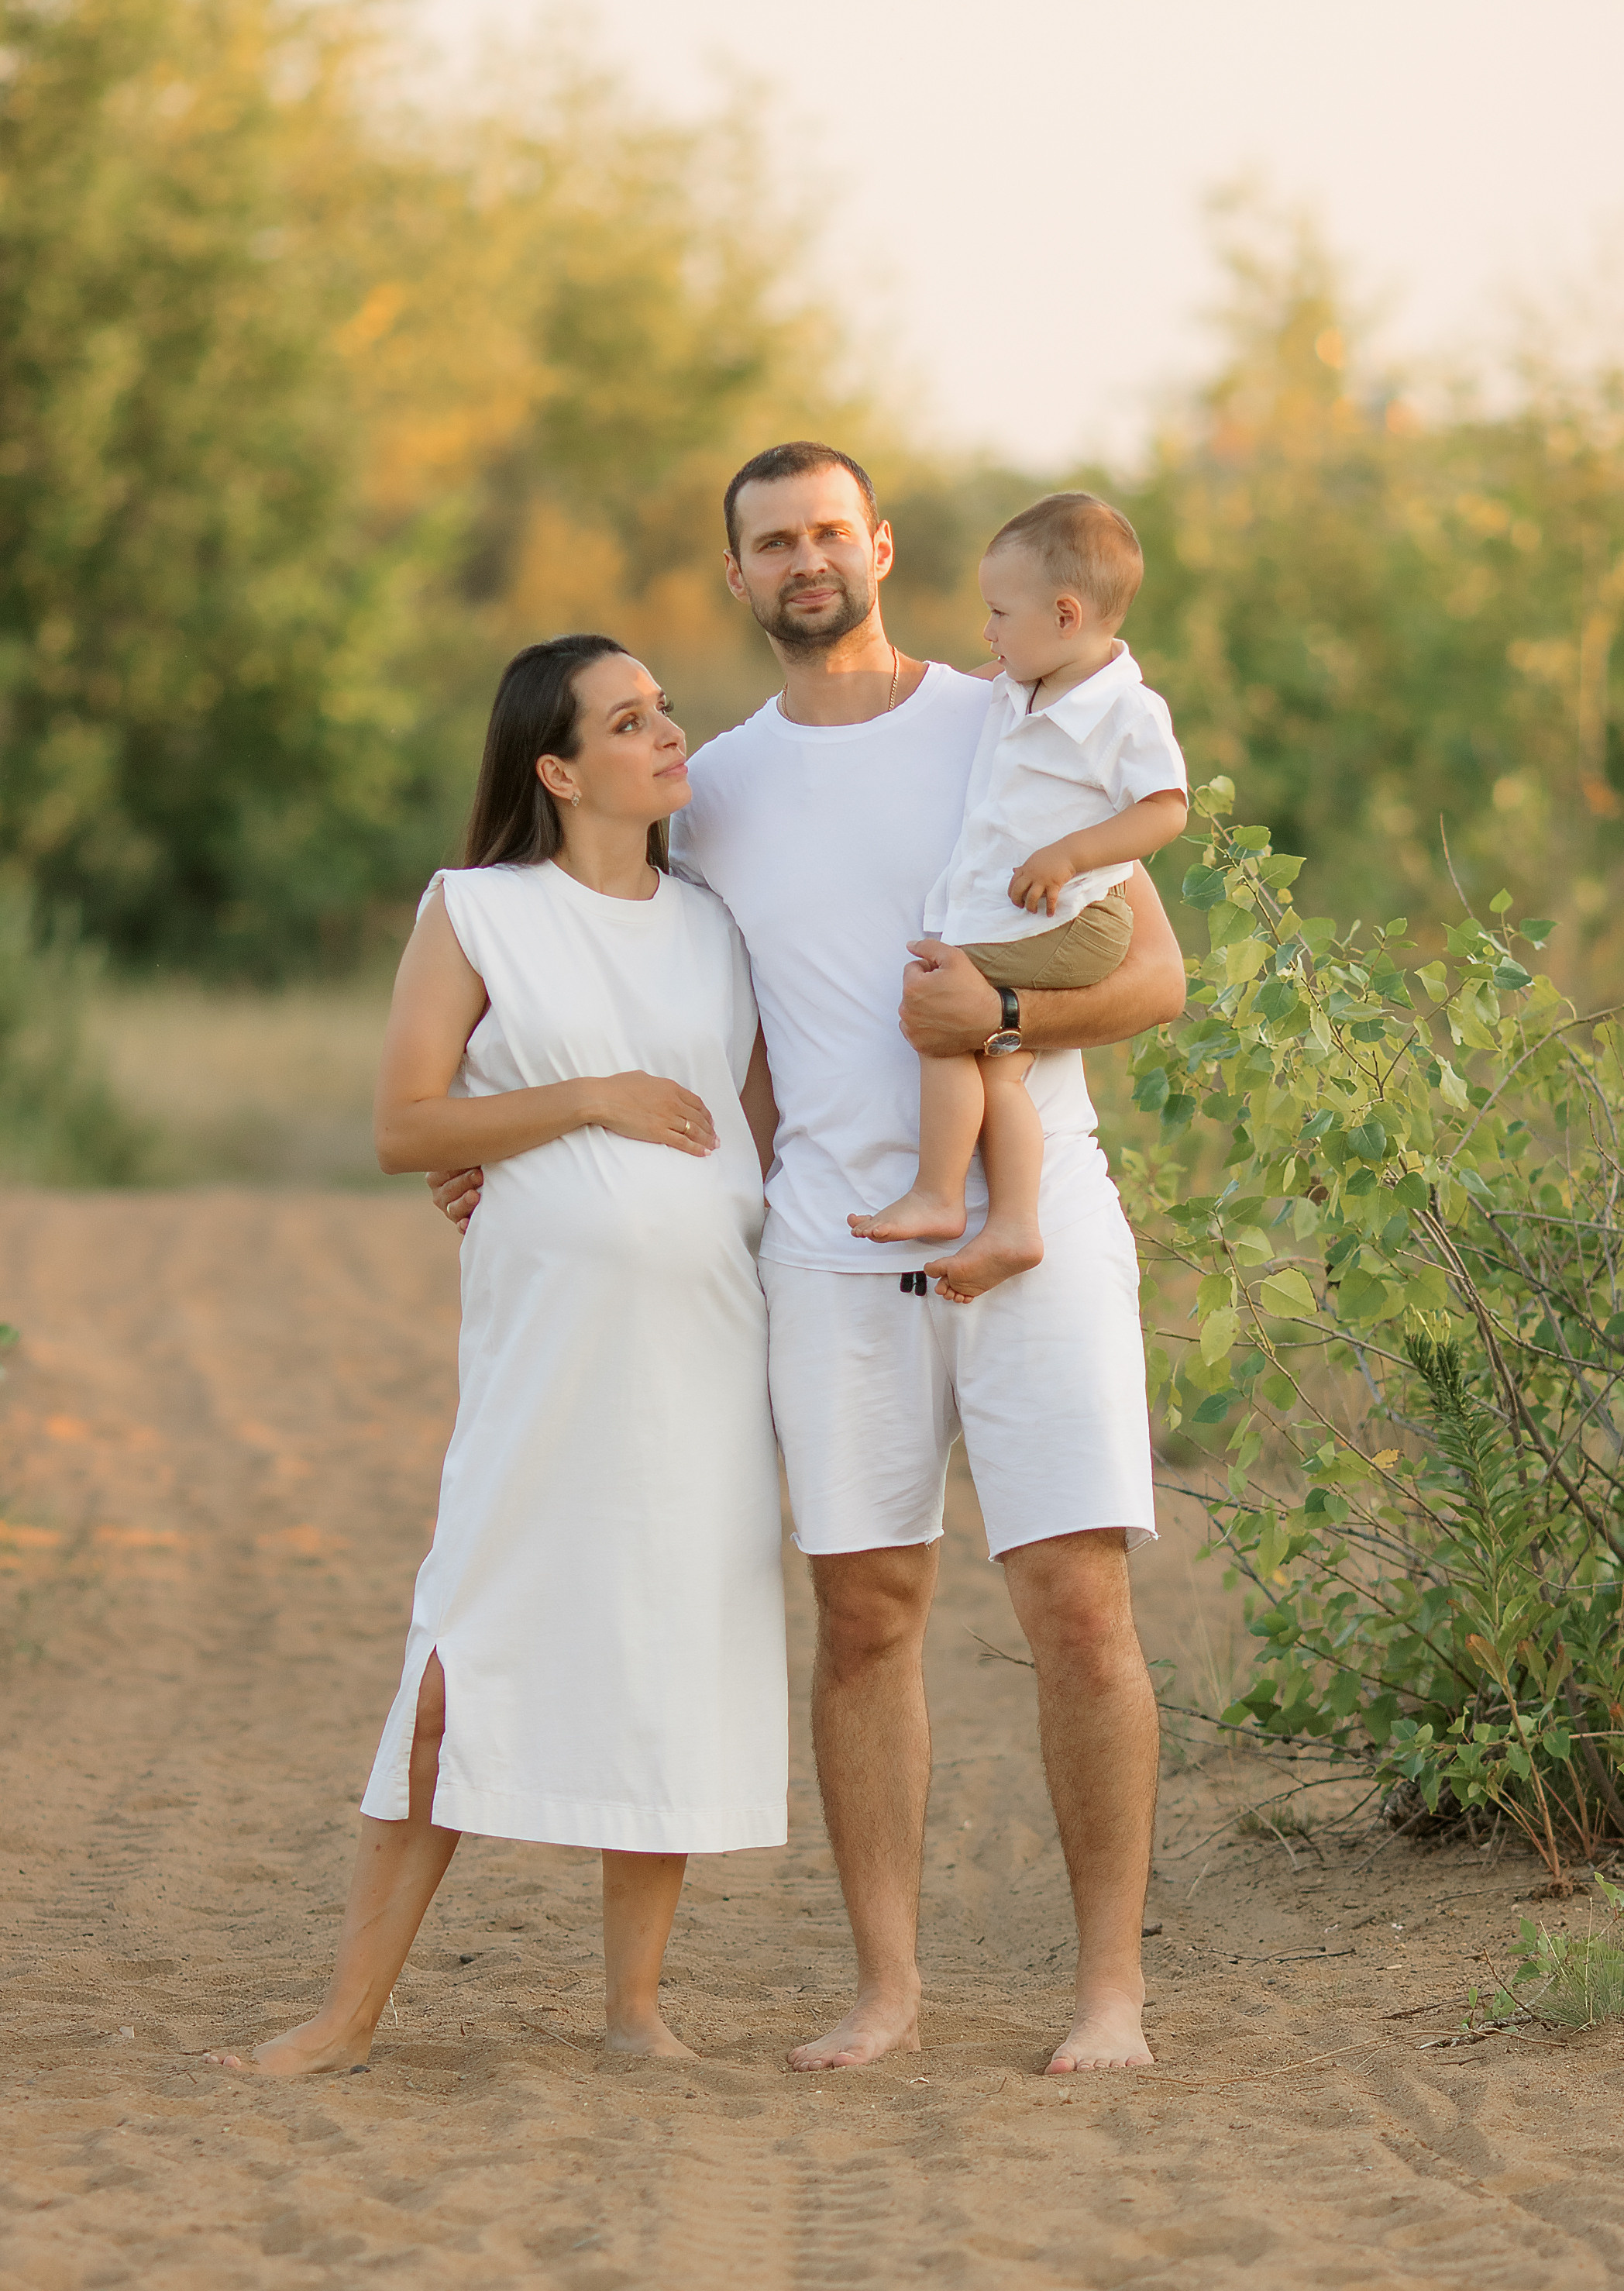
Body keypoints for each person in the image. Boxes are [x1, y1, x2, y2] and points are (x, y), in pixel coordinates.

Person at [432, 442, 1187, 2076]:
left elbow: (1150, 979)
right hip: (827, 1245)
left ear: (880, 546)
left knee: (1073, 1604)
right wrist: (507, 1156)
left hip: (1032, 1217)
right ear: (736, 576)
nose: (802, 560)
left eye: (827, 532)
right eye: (770, 542)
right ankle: (888, 1990)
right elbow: (647, 999)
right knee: (864, 1611)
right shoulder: (721, 788)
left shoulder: (1005, 715)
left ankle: (1109, 1995)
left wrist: (993, 1013)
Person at [212, 634, 786, 2079]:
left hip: (702, 1357)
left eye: (666, 710)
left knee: (667, 1656)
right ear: (556, 767)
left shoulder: (718, 926)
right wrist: (582, 1099)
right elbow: (406, 1125)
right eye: (630, 720)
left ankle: (636, 2010)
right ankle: (345, 2016)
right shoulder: (478, 911)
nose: (669, 735)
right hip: (550, 1361)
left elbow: (758, 1131)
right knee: (463, 1652)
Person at [848, 491, 1187, 1304]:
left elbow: (1165, 808)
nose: (988, 632)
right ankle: (1013, 1224)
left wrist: (1072, 853)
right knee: (996, 1066)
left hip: (1073, 919)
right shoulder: (1022, 681)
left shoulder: (1123, 711)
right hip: (1035, 919)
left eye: (999, 613)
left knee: (942, 1003)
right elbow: (962, 690)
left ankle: (938, 1194)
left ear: (1065, 615)